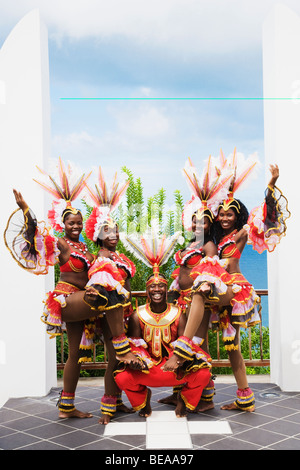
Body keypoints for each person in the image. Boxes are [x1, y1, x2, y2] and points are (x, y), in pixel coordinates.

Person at [163, 152, 290, 413]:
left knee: (200, 295)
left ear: (238, 216)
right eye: (221, 214)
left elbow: (266, 218)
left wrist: (271, 186)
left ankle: (182, 349)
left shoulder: (241, 234)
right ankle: (236, 398)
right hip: (219, 291)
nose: (224, 217)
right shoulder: (216, 242)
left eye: (230, 214)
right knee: (230, 348)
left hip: (234, 290)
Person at [115, 230, 212, 418]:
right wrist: (139, 360)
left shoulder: (178, 313)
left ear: (167, 290)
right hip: (150, 369)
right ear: (147, 290)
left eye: (161, 286)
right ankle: (143, 401)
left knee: (204, 374)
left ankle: (183, 400)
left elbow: (187, 343)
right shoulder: (138, 315)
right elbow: (135, 345)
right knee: (121, 377)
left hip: (174, 369)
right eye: (153, 286)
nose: (157, 290)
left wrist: (180, 360)